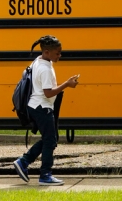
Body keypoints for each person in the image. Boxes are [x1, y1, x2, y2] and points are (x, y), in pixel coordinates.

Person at [13, 35, 79, 186]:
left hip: (35, 106)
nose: (60, 56)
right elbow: (48, 92)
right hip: (42, 107)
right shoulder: (45, 69)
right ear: (47, 52)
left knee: (49, 138)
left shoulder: (39, 61)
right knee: (50, 141)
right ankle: (45, 175)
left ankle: (24, 162)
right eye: (58, 53)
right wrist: (67, 84)